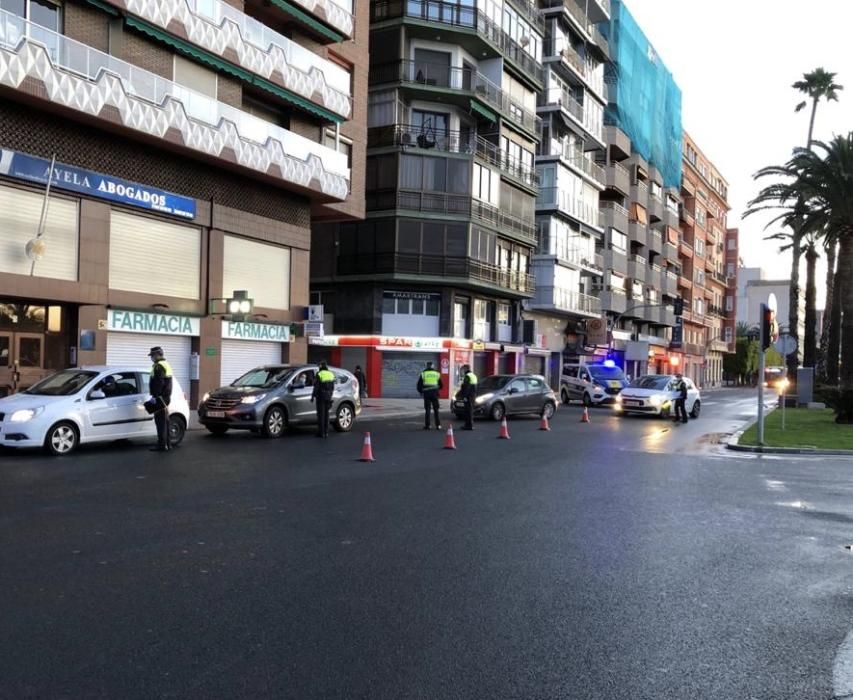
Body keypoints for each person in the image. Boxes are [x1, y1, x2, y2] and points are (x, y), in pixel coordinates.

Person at [148, 346, 173, 451]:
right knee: (165, 421)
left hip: (160, 398)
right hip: (164, 397)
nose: (151, 358)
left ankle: (162, 445)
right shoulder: (165, 364)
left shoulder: (159, 366)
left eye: (152, 355)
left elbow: (159, 383)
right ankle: (167, 444)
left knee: (160, 422)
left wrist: (155, 396)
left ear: (157, 355)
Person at [311, 362, 336, 437]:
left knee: (321, 415)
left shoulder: (319, 374)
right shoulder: (331, 374)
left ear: (321, 367)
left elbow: (316, 387)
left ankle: (321, 433)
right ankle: (326, 432)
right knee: (326, 415)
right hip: (328, 396)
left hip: (321, 396)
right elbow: (332, 387)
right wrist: (330, 394)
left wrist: (313, 396)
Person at [417, 361, 443, 430]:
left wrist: (421, 391)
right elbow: (441, 385)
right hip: (435, 394)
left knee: (427, 410)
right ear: (433, 366)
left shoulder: (423, 374)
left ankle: (427, 425)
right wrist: (436, 389)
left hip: (427, 394)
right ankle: (438, 425)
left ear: (427, 366)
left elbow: (419, 385)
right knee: (436, 410)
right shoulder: (437, 374)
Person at [459, 364, 478, 430]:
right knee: (470, 410)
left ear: (466, 369)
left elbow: (466, 387)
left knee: (468, 411)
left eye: (463, 369)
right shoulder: (474, 375)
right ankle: (469, 424)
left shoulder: (467, 376)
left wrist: (464, 396)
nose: (463, 370)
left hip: (468, 396)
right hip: (473, 396)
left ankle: (468, 425)